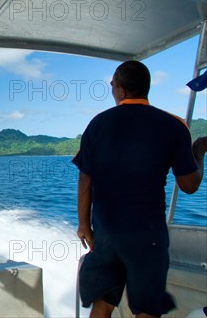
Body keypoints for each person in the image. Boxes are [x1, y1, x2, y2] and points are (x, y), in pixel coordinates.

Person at [72, 60, 206, 318]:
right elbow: (189, 185)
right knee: (146, 309)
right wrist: (198, 150)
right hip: (148, 236)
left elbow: (85, 181)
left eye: (112, 85)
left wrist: (83, 225)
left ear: (121, 90)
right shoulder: (173, 126)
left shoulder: (97, 125)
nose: (112, 89)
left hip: (107, 233)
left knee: (103, 304)